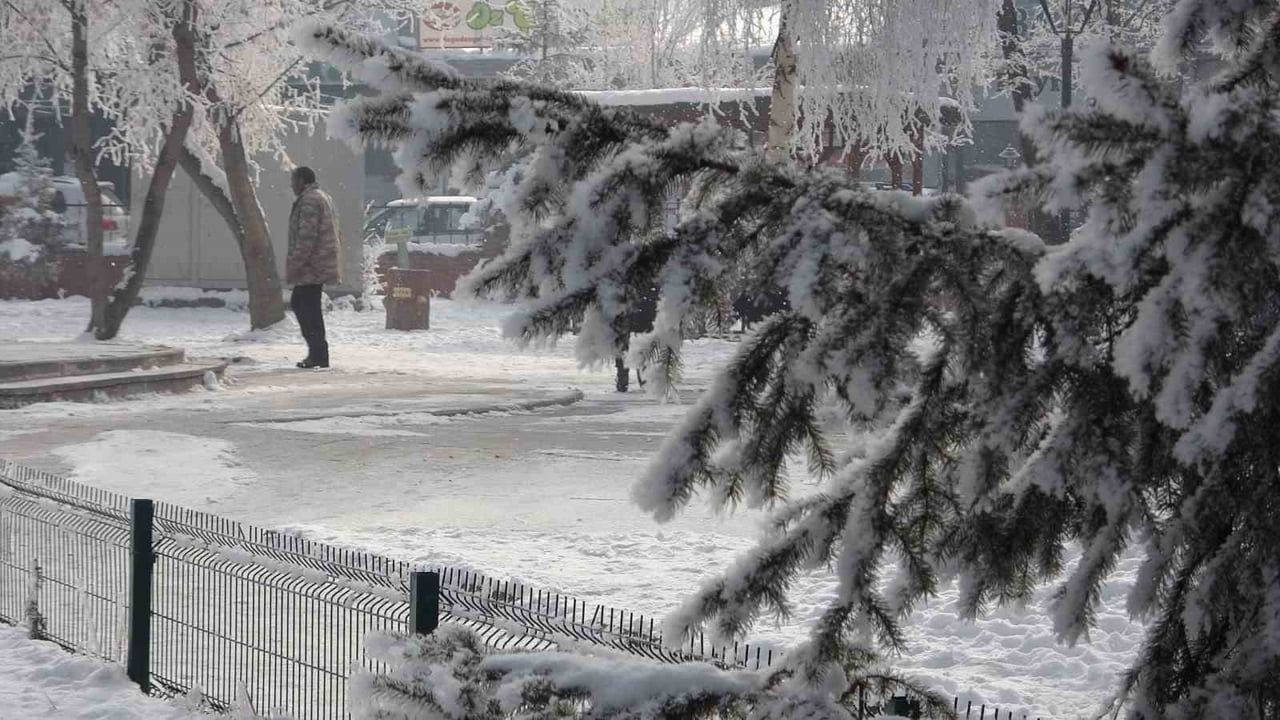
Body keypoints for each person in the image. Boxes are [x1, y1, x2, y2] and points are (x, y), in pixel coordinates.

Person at [286, 166, 342, 368]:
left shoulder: (309, 200)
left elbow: (307, 236)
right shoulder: (321, 196)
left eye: (293, 181)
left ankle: (318, 354)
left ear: (302, 181)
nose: (292, 186)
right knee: (307, 306)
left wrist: (296, 263)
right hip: (319, 262)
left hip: (312, 265)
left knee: (304, 306)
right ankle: (318, 353)